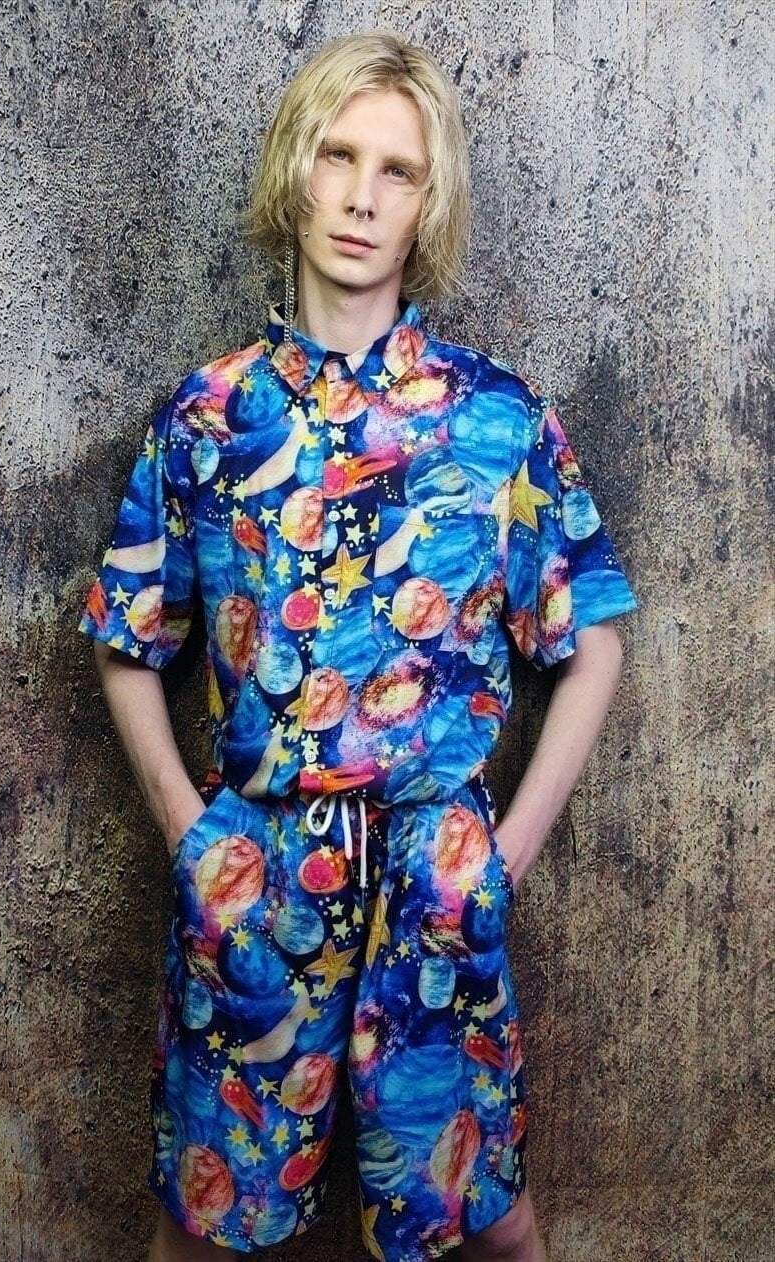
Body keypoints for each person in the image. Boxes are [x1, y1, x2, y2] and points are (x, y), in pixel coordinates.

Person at [79, 31, 636, 1262]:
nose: (362, 196)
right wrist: (190, 832)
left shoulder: (496, 418)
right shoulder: (211, 414)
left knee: (490, 1221)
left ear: (427, 203)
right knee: (203, 1227)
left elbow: (590, 639)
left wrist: (502, 853)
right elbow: (128, 638)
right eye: (339, 155)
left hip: (436, 883)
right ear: (297, 167)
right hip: (258, 879)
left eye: (398, 170)